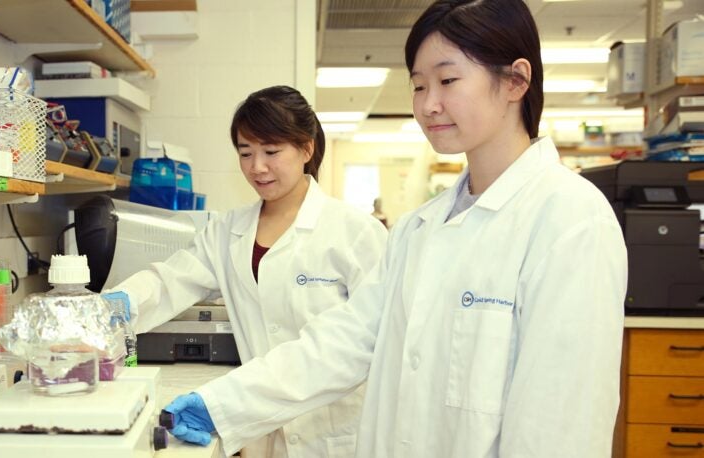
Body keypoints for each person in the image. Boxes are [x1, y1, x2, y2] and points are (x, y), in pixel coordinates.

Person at [163, 1, 628, 457]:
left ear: (515, 80)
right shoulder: (419, 230)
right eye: (419, 86)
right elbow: (342, 342)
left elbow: (560, 428)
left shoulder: (569, 221)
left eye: (447, 80)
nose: (428, 105)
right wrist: (222, 405)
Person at [105, 85, 388, 457]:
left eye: (271, 151)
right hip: (261, 429)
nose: (257, 167)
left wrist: (224, 404)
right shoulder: (228, 231)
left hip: (335, 432)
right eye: (245, 153)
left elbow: (357, 345)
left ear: (307, 148)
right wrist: (116, 306)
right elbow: (171, 280)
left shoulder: (356, 232)